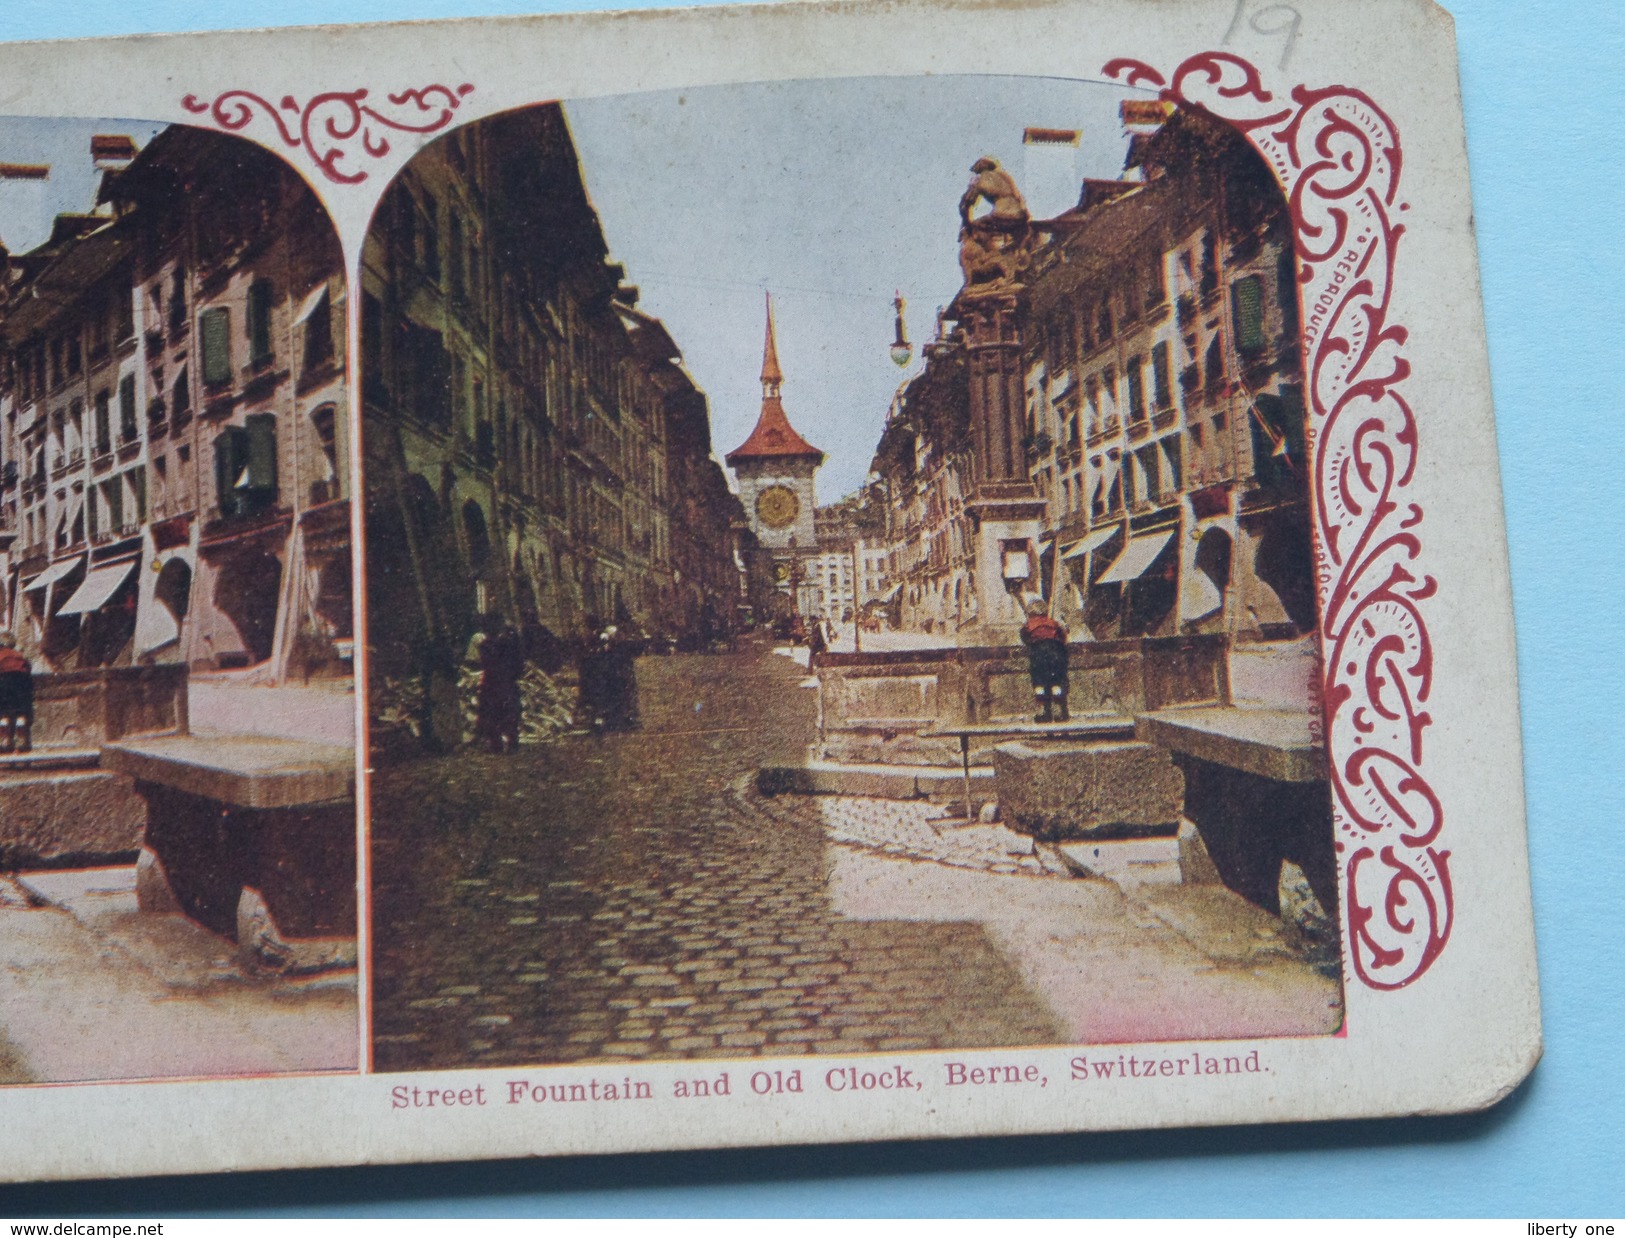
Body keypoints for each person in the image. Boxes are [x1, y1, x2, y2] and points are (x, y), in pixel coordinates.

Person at [475, 620, 524, 753]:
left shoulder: (484, 645)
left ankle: (496, 743)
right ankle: (512, 742)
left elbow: (483, 664)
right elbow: (519, 664)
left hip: (491, 683)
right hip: (507, 682)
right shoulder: (509, 644)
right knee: (510, 713)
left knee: (492, 714)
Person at [1019, 598, 1069, 723]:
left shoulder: (1028, 625)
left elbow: (1024, 637)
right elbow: (1063, 637)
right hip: (1056, 652)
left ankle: (1041, 709)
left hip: (1039, 653)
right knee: (1056, 681)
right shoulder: (1053, 623)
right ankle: (1058, 709)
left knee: (1039, 681)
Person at [0, 632, 33, 755]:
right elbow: (28, 669)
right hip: (21, 684)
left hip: (3, 684)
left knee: (3, 714)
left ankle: (4, 740)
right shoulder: (20, 656)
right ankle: (22, 740)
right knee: (21, 713)